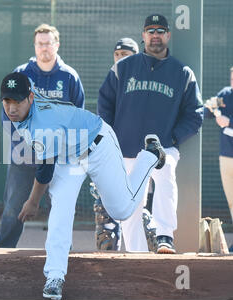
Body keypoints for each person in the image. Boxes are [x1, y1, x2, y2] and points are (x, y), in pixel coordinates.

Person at [0, 72, 166, 300]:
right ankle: (54, 276)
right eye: (7, 100)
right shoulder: (21, 109)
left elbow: (45, 172)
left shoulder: (43, 123)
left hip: (97, 144)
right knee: (61, 209)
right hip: (68, 157)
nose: (11, 108)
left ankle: (150, 155)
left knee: (122, 210)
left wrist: (32, 202)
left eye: (16, 101)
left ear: (30, 97)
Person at [98, 14, 203, 254]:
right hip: (126, 147)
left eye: (160, 30)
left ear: (168, 35)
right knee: (131, 205)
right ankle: (137, 254)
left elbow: (195, 113)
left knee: (166, 177)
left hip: (163, 147)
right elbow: (104, 104)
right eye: (150, 30)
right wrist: (112, 139)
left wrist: (173, 139)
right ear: (143, 35)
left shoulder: (182, 72)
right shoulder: (123, 67)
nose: (155, 35)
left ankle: (165, 235)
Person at [0, 23, 85, 248]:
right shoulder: (21, 74)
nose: (44, 48)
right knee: (14, 208)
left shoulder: (69, 76)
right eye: (40, 44)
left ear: (57, 45)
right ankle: (0, 257)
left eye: (48, 43)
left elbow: (77, 116)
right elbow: (8, 114)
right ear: (34, 46)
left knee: (60, 209)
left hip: (58, 158)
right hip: (24, 156)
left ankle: (62, 255)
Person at [93, 37, 158, 252]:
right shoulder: (113, 78)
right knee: (107, 215)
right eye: (118, 54)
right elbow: (103, 112)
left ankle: (145, 256)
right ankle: (114, 263)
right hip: (117, 154)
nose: (121, 58)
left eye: (126, 54)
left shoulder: (149, 78)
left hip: (146, 155)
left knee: (144, 214)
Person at [203, 66, 233, 253]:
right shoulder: (226, 94)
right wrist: (212, 108)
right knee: (231, 200)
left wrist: (229, 122)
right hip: (226, 157)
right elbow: (206, 109)